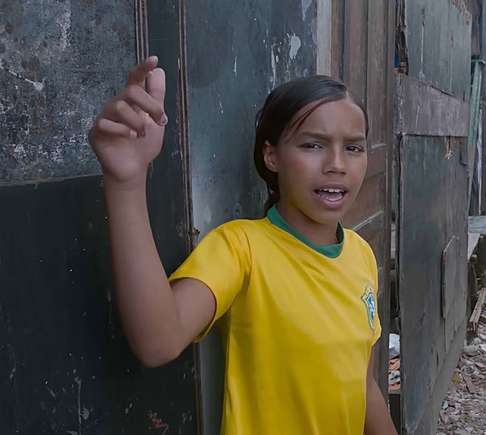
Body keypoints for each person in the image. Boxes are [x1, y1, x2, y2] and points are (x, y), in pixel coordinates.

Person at [88, 56, 398, 435]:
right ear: (272, 156)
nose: (337, 164)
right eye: (313, 145)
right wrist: (126, 183)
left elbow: (363, 387)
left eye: (353, 148)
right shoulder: (243, 249)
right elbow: (157, 341)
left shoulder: (361, 255)